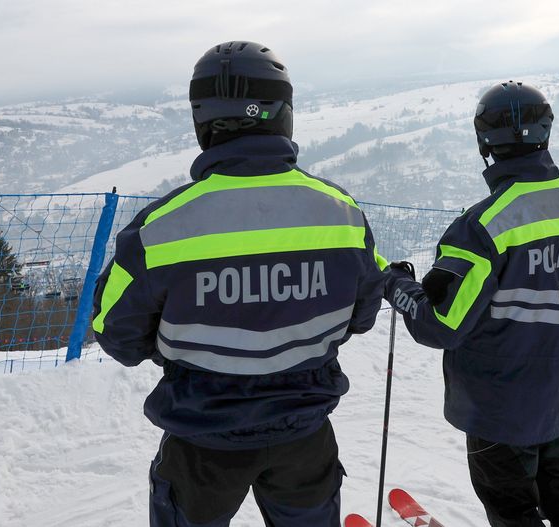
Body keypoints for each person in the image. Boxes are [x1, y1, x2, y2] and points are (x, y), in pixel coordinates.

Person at [92, 41, 386, 527]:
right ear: (283, 113)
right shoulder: (342, 213)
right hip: (304, 436)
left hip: (201, 441)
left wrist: (184, 349)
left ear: (202, 120)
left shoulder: (161, 227)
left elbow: (116, 333)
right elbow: (363, 314)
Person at [384, 81, 559, 527]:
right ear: (546, 132)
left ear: (485, 141)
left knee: (512, 509)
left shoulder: (481, 227)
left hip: (499, 409)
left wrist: (396, 286)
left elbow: (441, 324)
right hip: (558, 397)